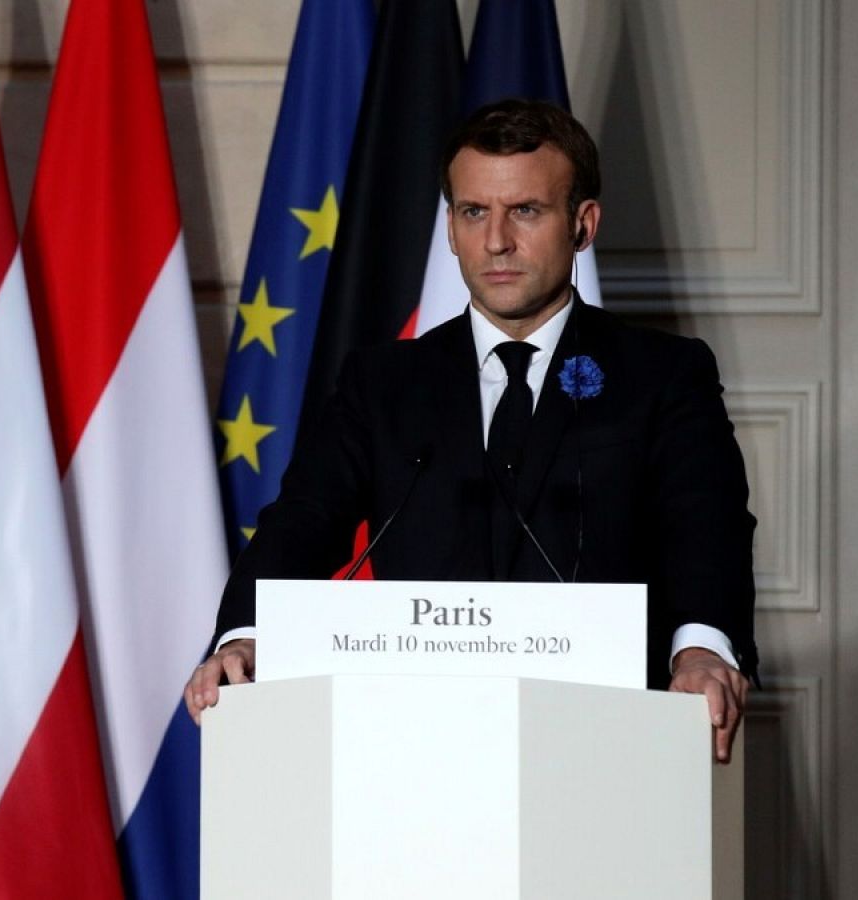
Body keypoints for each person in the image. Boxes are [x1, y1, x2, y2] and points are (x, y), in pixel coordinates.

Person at [183, 99, 757, 762]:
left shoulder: (662, 374)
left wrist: (701, 650)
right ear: (450, 229)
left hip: (609, 741)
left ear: (583, 223)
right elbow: (303, 521)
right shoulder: (384, 383)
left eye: (527, 211)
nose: (496, 241)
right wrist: (248, 635)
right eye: (473, 212)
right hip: (412, 742)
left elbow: (705, 526)